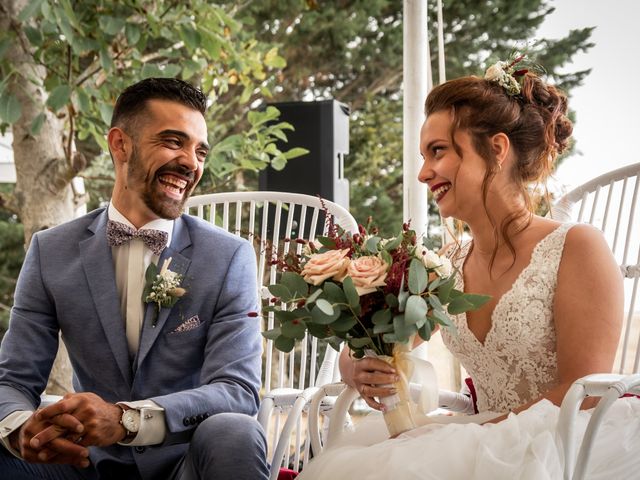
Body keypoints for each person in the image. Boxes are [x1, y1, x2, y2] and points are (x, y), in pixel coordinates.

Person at [299, 58, 640, 478]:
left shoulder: (576, 246)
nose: (424, 173)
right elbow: (384, 340)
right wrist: (358, 366)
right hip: (482, 439)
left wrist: (465, 435)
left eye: (437, 151)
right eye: (424, 156)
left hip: (572, 446)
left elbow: (583, 392)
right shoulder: (445, 265)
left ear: (496, 149)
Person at [0, 78, 269, 479]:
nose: (191, 163)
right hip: (82, 464)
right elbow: (13, 379)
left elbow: (237, 390)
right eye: (173, 142)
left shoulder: (229, 257)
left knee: (236, 430)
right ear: (120, 144)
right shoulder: (49, 251)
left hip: (186, 462)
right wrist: (21, 428)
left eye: (199, 151)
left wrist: (126, 420)